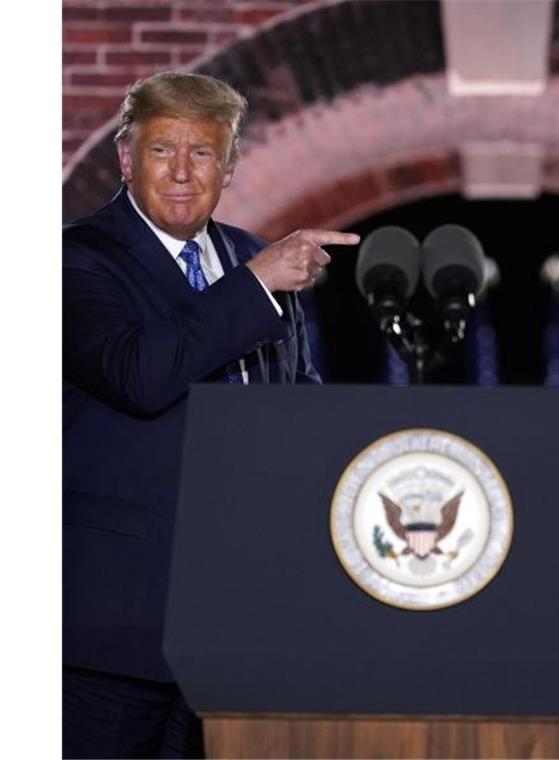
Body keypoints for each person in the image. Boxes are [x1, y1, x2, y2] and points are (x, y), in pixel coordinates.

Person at [62, 71, 359, 758]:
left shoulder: (256, 258)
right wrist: (253, 286)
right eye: (163, 151)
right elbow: (139, 373)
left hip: (236, 628)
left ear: (228, 167)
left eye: (202, 154)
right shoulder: (75, 259)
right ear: (126, 158)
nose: (181, 173)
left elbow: (296, 407)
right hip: (108, 632)